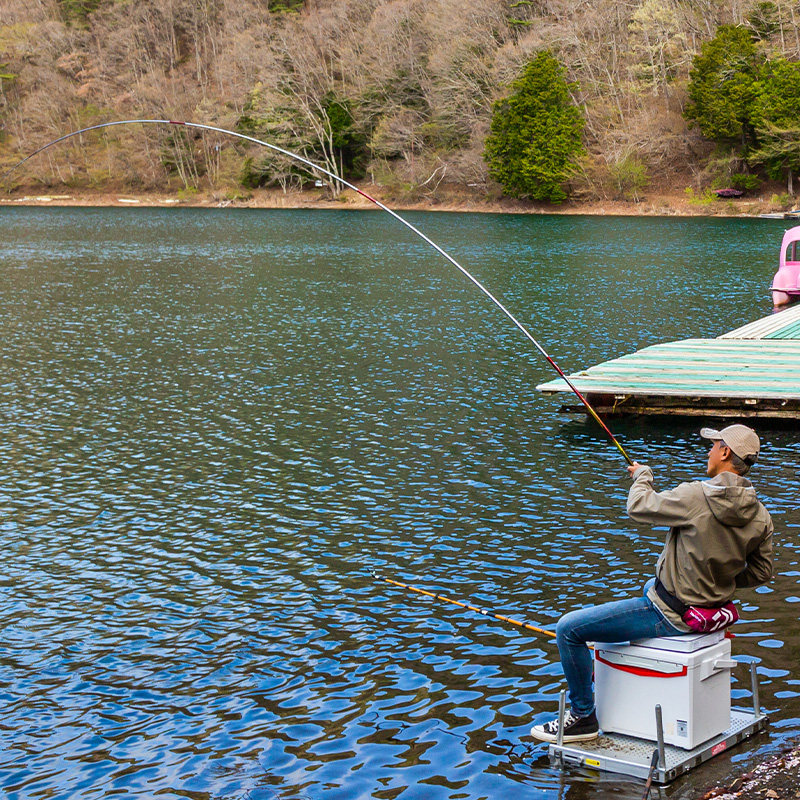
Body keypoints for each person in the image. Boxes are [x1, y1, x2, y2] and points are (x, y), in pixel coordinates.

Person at [530, 424, 774, 743]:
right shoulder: (760, 515)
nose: (709, 450)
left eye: (714, 445)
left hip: (670, 615)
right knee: (649, 584)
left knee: (568, 629)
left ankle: (582, 716)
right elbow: (761, 571)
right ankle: (601, 667)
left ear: (726, 453)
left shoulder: (697, 495)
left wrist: (643, 476)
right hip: (708, 609)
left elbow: (639, 507)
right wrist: (719, 577)